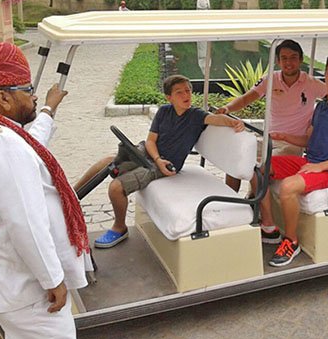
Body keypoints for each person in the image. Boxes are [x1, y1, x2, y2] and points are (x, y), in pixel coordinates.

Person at [0, 41, 88, 339]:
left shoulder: (0, 133)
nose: (34, 95)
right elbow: (25, 223)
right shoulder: (4, 144)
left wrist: (48, 109)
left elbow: (33, 144)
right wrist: (52, 279)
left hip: (14, 283)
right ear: (4, 98)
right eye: (28, 89)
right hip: (32, 291)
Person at [93, 74, 244, 249]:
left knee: (116, 188)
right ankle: (73, 196)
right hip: (149, 153)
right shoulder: (164, 111)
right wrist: (156, 158)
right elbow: (150, 141)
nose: (186, 95)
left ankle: (119, 227)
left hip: (165, 165)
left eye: (188, 90)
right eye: (179, 92)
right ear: (169, 98)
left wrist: (234, 123)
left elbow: (215, 119)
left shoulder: (195, 116)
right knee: (107, 161)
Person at [264, 52, 328, 266]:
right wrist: (285, 137)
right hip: (312, 162)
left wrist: (321, 167)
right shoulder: (322, 106)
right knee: (262, 167)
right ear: (324, 73)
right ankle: (268, 225)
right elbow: (309, 140)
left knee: (288, 187)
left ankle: (291, 241)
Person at [216, 39, 326, 187]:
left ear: (301, 60)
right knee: (235, 158)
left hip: (292, 144)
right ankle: (231, 199)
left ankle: (255, 198)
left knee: (261, 166)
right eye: (284, 58)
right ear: (278, 61)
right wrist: (227, 108)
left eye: (293, 57)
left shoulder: (311, 83)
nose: (288, 62)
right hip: (269, 139)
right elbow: (246, 99)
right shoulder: (270, 79)